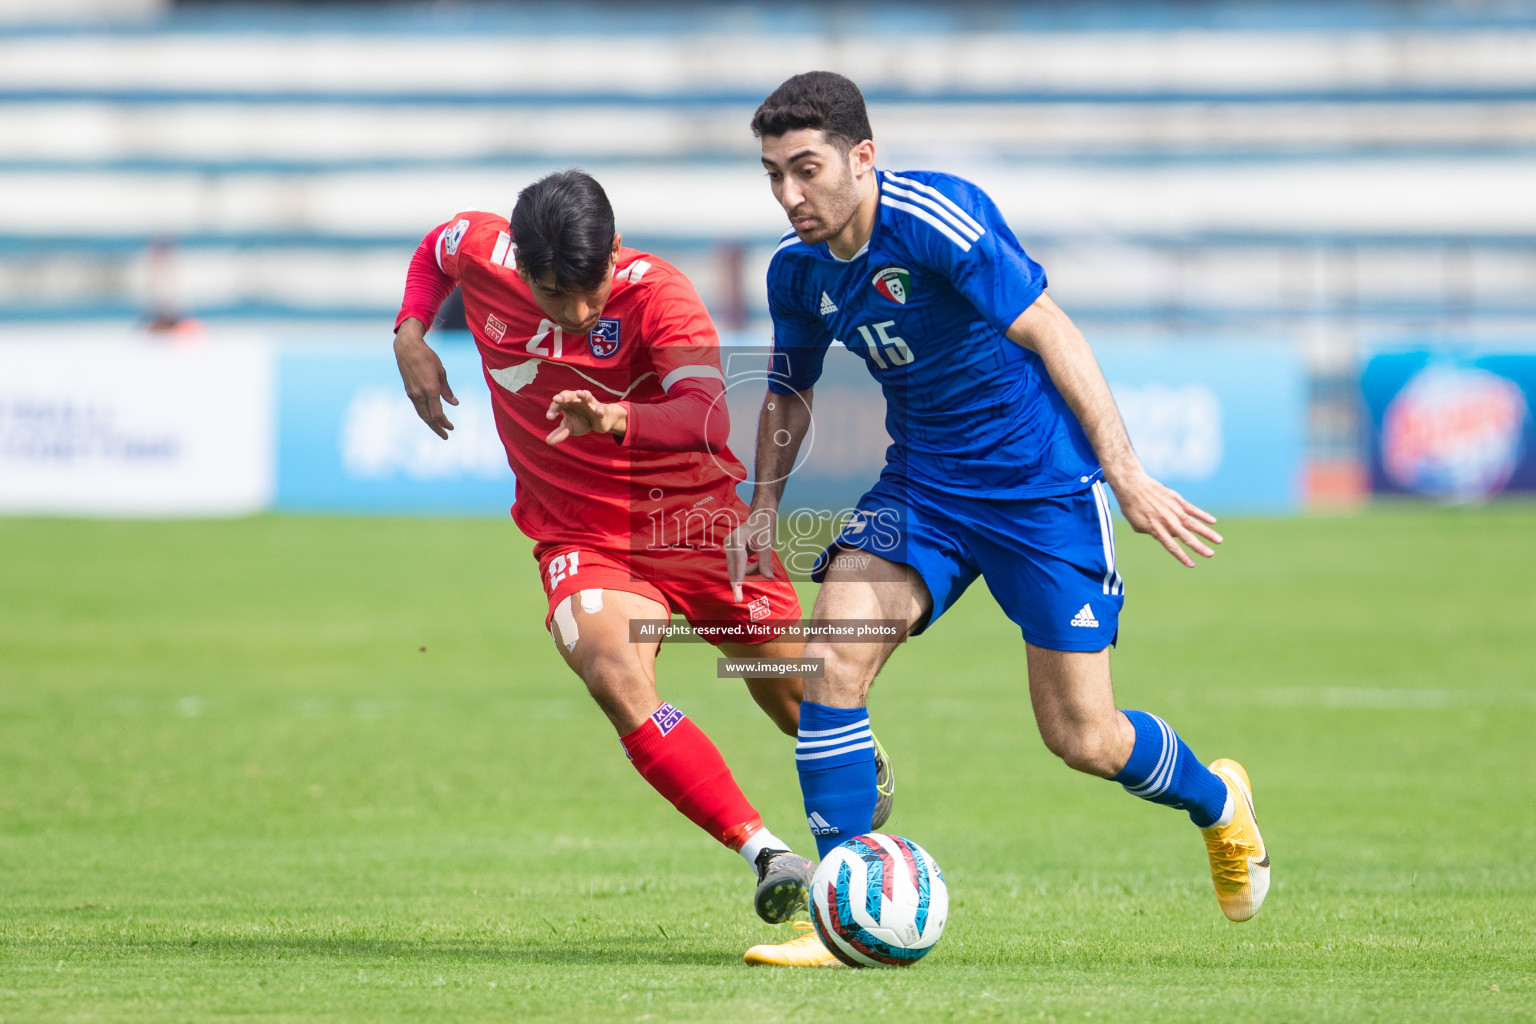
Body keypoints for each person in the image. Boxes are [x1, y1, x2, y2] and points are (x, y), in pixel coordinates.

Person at [735, 72, 1270, 967]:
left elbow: (1053, 331)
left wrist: (1125, 474)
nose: (791, 195)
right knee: (829, 659)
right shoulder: (796, 273)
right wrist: (762, 507)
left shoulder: (939, 220)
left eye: (807, 168)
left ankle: (1219, 803)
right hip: (924, 492)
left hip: (1039, 493)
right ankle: (839, 912)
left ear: (863, 159)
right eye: (773, 176)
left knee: (1084, 739)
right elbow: (791, 388)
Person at [392, 169, 877, 931]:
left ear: (614, 250)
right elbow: (433, 251)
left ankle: (862, 796)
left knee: (806, 709)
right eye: (558, 297)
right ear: (518, 265)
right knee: (613, 672)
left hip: (699, 528)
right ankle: (768, 854)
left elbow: (702, 418)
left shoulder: (661, 296)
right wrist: (411, 331)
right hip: (581, 536)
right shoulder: (482, 249)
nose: (581, 313)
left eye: (592, 291)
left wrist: (615, 417)